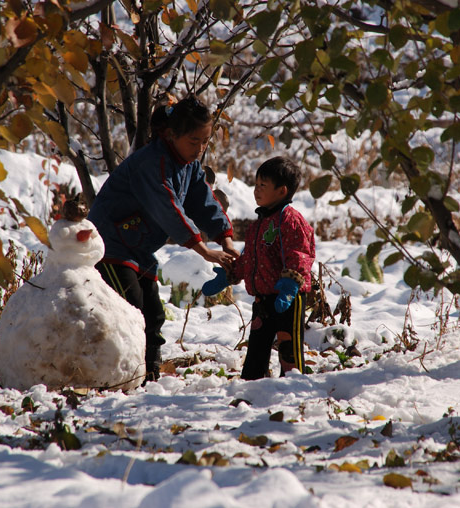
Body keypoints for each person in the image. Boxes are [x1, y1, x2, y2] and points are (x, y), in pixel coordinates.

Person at [88, 95, 239, 383]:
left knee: (153, 314)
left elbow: (204, 202)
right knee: (129, 307)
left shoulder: (189, 164)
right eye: (194, 141)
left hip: (138, 248)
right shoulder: (152, 163)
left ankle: (149, 372)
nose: (200, 148)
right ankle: (119, 372)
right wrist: (205, 251)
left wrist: (226, 239)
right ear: (171, 134)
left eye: (205, 142)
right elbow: (169, 209)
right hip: (110, 244)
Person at [202, 156, 315, 379]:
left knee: (288, 352)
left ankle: (293, 388)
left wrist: (291, 285)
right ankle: (252, 385)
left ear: (282, 191)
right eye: (256, 184)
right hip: (263, 300)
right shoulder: (258, 224)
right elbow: (251, 258)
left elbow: (300, 255)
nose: (256, 190)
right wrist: (231, 273)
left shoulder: (290, 220)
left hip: (288, 299)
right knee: (257, 349)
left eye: (262, 186)